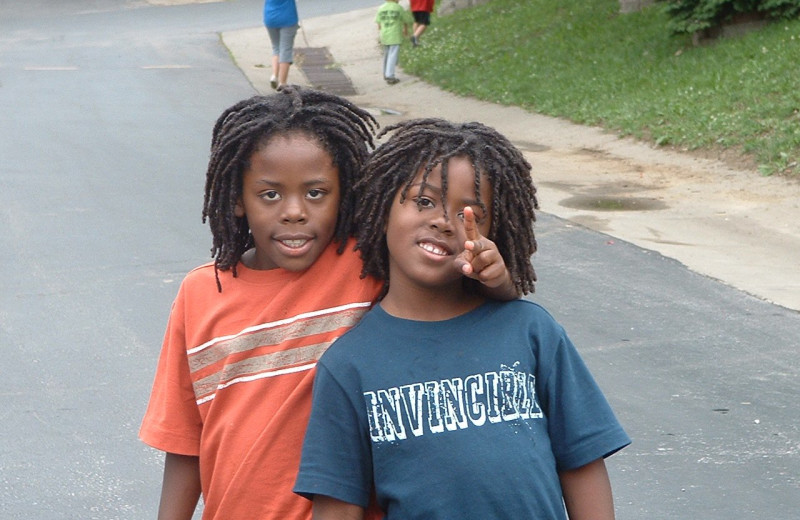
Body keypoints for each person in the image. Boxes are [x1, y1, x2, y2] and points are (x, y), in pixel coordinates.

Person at [140, 90, 518, 520]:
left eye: (317, 193)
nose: (295, 212)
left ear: (346, 196)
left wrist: (499, 281)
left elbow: (457, 298)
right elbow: (184, 441)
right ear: (235, 199)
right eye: (269, 195)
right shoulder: (201, 294)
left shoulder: (367, 264)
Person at [294, 118, 631, 520]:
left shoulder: (531, 332)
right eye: (423, 201)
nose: (443, 220)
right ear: (382, 206)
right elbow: (337, 505)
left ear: (493, 234)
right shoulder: (348, 365)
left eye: (469, 212)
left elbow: (582, 463)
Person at [375, 0, 414, 85]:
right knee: (393, 55)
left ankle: (386, 73)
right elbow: (405, 21)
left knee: (387, 54)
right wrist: (405, 31)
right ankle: (390, 75)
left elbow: (378, 24)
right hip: (395, 34)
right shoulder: (399, 8)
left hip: (385, 35)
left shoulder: (381, 8)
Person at [264, 0, 299, 89]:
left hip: (270, 18)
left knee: (276, 47)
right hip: (288, 19)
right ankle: (282, 83)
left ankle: (274, 75)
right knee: (285, 50)